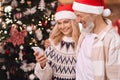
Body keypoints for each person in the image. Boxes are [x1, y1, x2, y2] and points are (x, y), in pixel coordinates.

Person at [72, 0, 120, 80]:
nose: (77, 20)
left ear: (94, 14)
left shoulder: (113, 40)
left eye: (80, 15)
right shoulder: (85, 33)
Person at [34, 4, 80, 80]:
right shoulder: (53, 43)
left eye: (65, 22)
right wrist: (43, 65)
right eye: (59, 23)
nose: (62, 26)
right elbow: (45, 78)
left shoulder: (81, 43)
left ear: (73, 22)